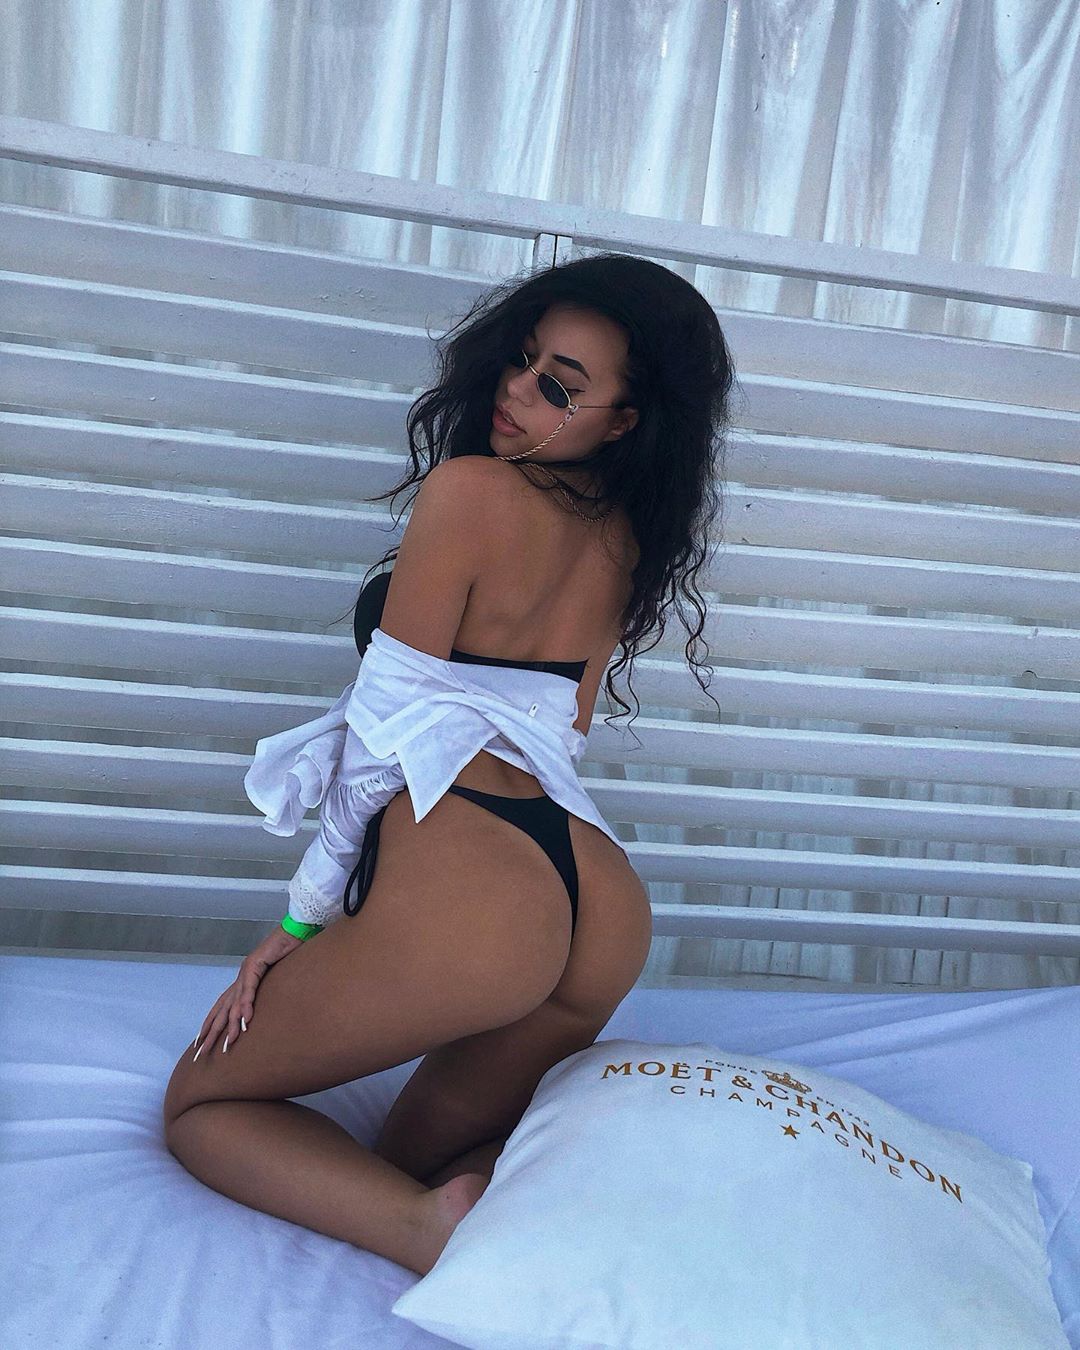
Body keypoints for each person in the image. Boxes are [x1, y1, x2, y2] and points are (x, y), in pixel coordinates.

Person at [161, 252, 736, 1276]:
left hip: (484, 901)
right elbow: (559, 739)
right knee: (407, 1165)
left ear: (624, 422)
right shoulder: (625, 541)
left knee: (200, 1106)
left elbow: (381, 738)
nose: (516, 390)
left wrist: (300, 921)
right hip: (599, 901)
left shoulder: (471, 491)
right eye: (523, 359)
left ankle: (427, 1237)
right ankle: (508, 1220)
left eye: (560, 386)